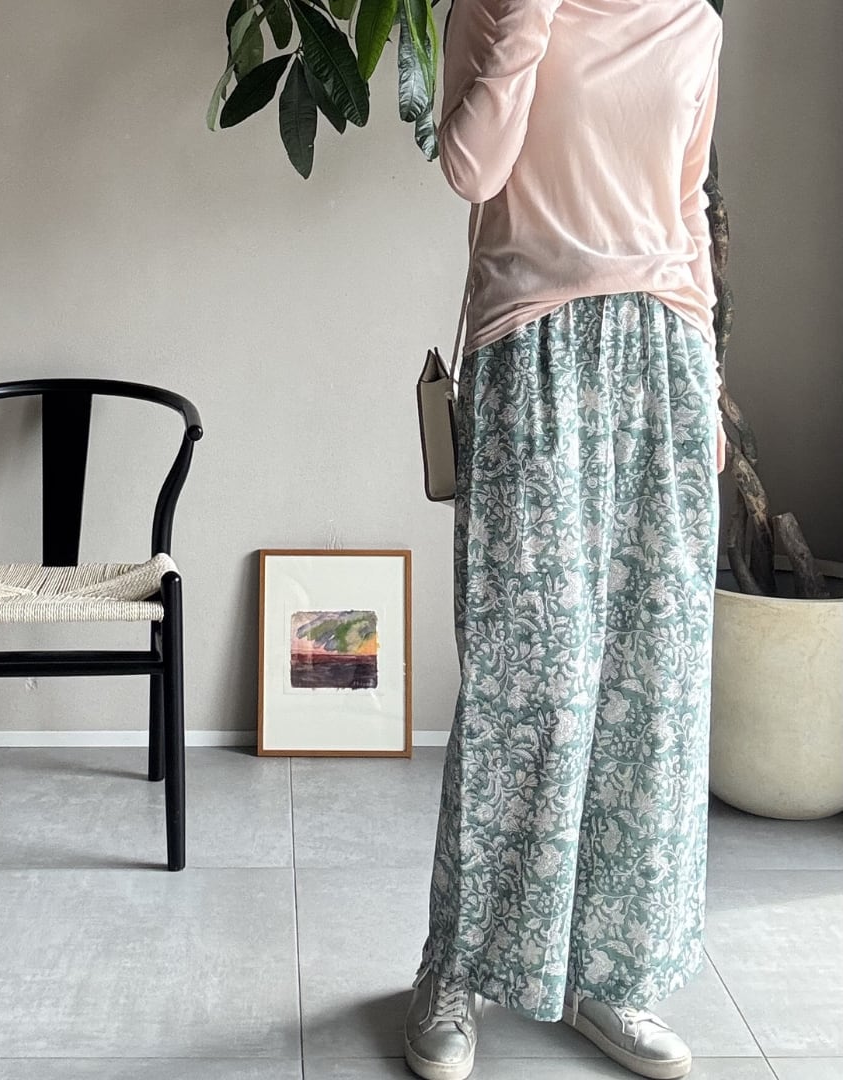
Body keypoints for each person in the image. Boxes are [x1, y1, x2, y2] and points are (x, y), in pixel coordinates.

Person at [403, 2, 725, 1079]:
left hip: (664, 358)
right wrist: (527, 19)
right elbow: (470, 168)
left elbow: (686, 206)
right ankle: (455, 969)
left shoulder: (694, 22)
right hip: (531, 348)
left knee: (653, 685)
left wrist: (709, 380)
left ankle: (611, 975)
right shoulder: (499, 9)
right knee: (525, 685)